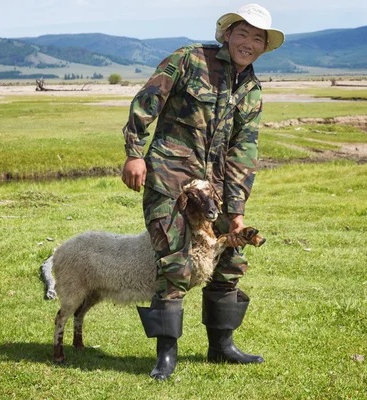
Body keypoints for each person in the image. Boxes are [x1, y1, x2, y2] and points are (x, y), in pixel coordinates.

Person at [121, 4, 284, 380]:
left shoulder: (252, 89)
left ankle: (221, 346)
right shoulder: (189, 59)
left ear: (263, 46)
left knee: (231, 259)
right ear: (227, 34)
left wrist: (238, 206)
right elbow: (147, 102)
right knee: (174, 260)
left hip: (219, 189)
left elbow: (244, 150)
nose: (249, 42)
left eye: (257, 38)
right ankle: (166, 355)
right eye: (243, 33)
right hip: (171, 180)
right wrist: (134, 154)